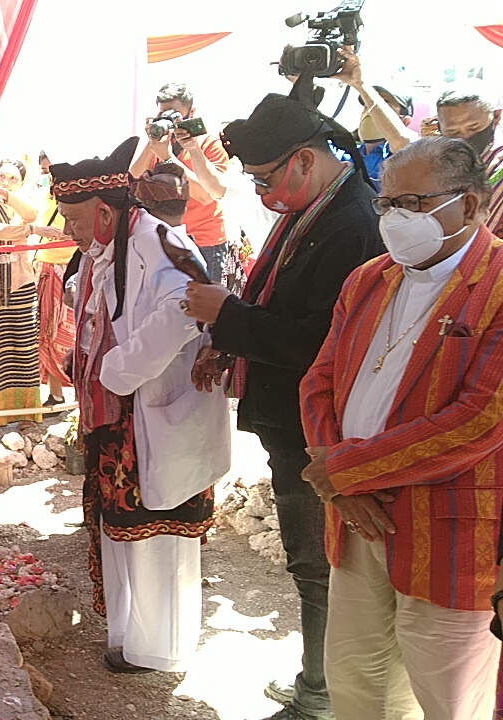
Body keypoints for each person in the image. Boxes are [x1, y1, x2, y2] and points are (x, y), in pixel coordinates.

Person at [183, 90, 385, 720]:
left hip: (318, 426)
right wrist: (228, 336)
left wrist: (229, 318)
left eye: (267, 179)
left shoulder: (353, 222)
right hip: (290, 417)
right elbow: (275, 302)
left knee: (318, 562)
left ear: (304, 160)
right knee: (311, 560)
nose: (263, 194)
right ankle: (317, 682)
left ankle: (322, 695)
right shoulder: (314, 206)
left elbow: (319, 343)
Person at [299, 136, 503, 720]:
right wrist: (341, 485)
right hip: (359, 518)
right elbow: (319, 382)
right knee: (357, 682)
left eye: (412, 204)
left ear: (468, 206)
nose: (394, 219)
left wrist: (340, 472)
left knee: (446, 697)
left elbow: (479, 419)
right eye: (387, 203)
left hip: (451, 527)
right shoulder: (368, 278)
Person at [55, 137, 229, 675]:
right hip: (116, 412)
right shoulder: (105, 248)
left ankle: (158, 647)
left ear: (105, 211)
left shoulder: (160, 244)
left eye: (75, 220)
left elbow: (182, 312)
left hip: (148, 409)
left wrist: (112, 368)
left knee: (158, 528)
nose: (68, 232)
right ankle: (129, 634)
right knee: (120, 524)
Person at [0, 158, 58, 430]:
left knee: (24, 351)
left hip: (20, 286)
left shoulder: (20, 204)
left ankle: (28, 414)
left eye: (12, 179)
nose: (5, 182)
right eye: (2, 177)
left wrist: (8, 196)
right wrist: (33, 231)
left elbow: (31, 214)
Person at [130, 83, 231, 283]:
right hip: (163, 239)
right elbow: (132, 180)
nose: (169, 120)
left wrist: (168, 158)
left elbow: (206, 195)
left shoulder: (208, 143)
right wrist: (153, 143)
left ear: (191, 113)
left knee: (204, 307)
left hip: (204, 241)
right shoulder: (158, 144)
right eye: (162, 114)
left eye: (175, 114)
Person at [330, 48, 419, 187]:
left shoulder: (413, 149)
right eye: (367, 102)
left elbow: (402, 142)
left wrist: (359, 84)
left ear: (405, 121)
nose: (370, 110)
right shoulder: (347, 149)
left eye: (384, 103)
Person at [32, 150, 73, 407]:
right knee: (47, 334)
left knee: (74, 335)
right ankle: (55, 395)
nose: (50, 177)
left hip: (71, 270)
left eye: (54, 170)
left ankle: (82, 397)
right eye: (46, 171)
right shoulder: (42, 198)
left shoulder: (80, 198)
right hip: (46, 269)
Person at [435, 82, 503, 235]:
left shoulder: (499, 164)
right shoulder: (434, 161)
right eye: (453, 132)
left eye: (474, 128)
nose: (465, 137)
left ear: (496, 117)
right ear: (439, 128)